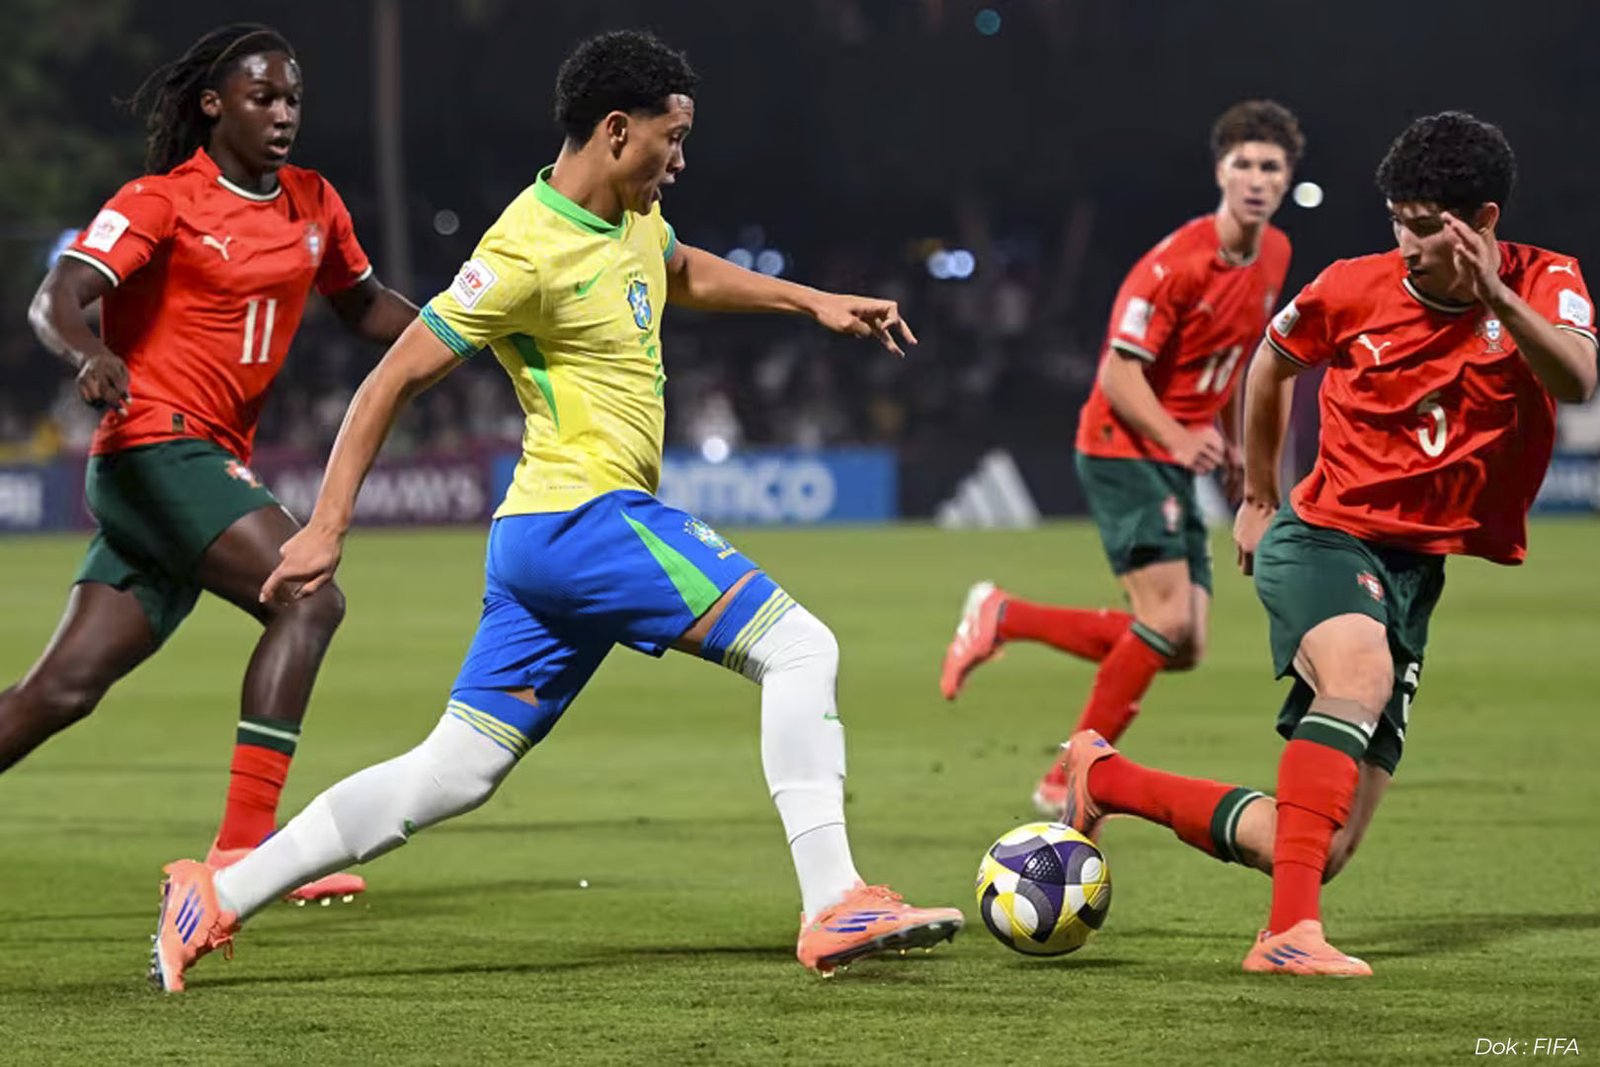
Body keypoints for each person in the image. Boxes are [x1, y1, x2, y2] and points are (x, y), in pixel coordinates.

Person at [149, 29, 963, 992]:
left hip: (544, 546)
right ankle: (833, 899)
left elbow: (681, 267)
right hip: (586, 518)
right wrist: (327, 524)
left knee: (450, 772)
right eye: (675, 136)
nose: (683, 158)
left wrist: (811, 301)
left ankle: (218, 893)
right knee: (800, 647)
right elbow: (388, 382)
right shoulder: (523, 249)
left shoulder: (632, 218)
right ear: (618, 131)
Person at [1049, 111, 1594, 975]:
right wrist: (1261, 493)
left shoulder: (1546, 281)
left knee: (1318, 845)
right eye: (1396, 221)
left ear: (1483, 223)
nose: (1404, 243)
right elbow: (1270, 366)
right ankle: (1287, 936)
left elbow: (1576, 376)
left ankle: (1103, 779)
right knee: (1361, 674)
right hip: (1325, 537)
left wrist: (1497, 296)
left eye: (1423, 226)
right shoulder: (1351, 286)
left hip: (1417, 572)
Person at [10, 24, 416, 902]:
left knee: (63, 690)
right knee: (308, 597)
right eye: (261, 98)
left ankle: (242, 852)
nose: (282, 116)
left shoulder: (314, 203)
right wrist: (87, 352)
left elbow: (367, 307)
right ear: (213, 106)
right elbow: (58, 297)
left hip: (194, 469)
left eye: (292, 100)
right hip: (153, 449)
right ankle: (243, 854)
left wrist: (470, 333)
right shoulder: (164, 199)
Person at [940, 101, 1304, 812]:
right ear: (1220, 171)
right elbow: (1117, 374)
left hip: (1175, 449)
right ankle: (1071, 772)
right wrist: (1178, 436)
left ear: (1288, 178)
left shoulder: (1276, 255)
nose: (1257, 179)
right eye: (1244, 164)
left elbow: (1234, 362)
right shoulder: (1174, 266)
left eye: (1272, 166)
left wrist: (1228, 439)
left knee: (1185, 643)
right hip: (1122, 446)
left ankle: (1004, 615)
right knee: (1166, 624)